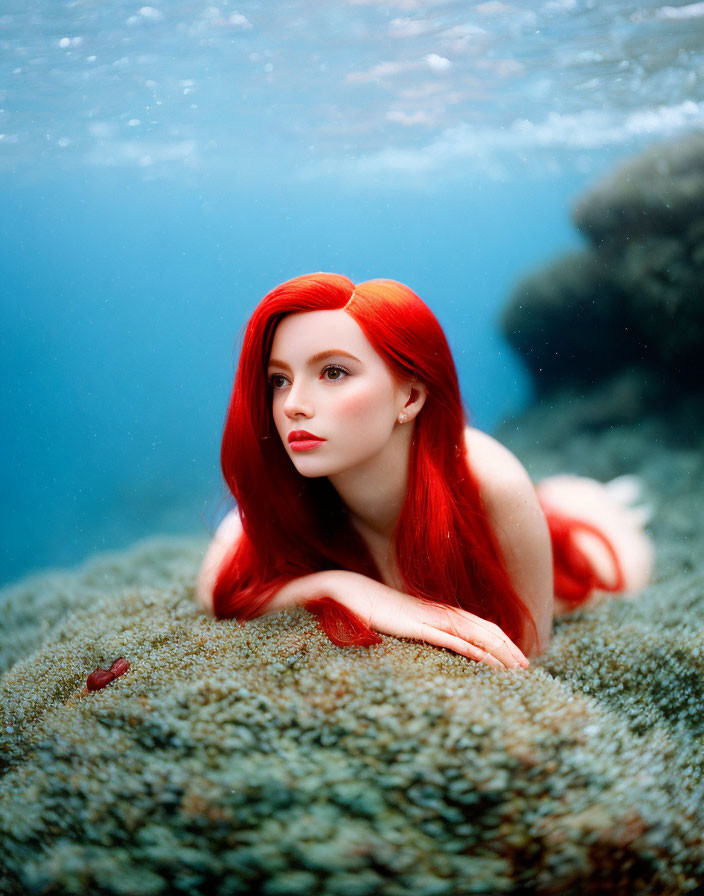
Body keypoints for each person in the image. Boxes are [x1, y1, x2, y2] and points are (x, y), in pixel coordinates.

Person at [196, 273, 653, 669]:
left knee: (614, 549)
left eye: (333, 372)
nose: (293, 404)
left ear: (410, 398)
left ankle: (582, 497)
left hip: (571, 541)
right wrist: (345, 588)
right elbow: (214, 586)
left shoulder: (492, 482)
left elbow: (530, 655)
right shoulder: (290, 494)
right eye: (279, 379)